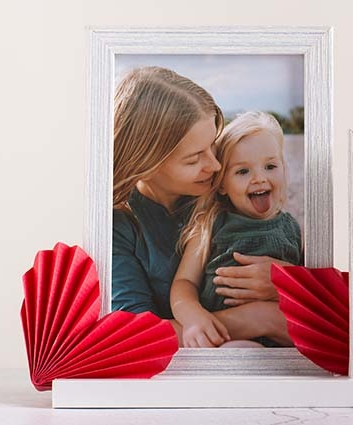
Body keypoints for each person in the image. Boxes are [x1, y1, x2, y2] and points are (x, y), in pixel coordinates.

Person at [112, 66, 289, 346]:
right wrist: (260, 318)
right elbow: (133, 336)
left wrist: (288, 281)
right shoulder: (117, 227)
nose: (216, 165)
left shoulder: (222, 194)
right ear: (145, 165)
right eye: (194, 159)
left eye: (213, 148)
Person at [170, 112, 302, 348]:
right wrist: (192, 317)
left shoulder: (292, 229)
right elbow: (184, 282)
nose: (259, 178)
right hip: (220, 337)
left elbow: (310, 289)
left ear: (284, 167)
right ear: (221, 185)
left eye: (270, 166)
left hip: (279, 342)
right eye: (243, 171)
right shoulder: (210, 224)